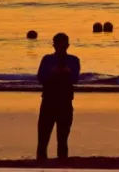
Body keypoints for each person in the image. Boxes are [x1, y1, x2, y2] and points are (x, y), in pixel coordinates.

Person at [36, 32, 81, 160]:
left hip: (65, 102)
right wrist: (52, 73)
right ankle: (41, 165)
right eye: (59, 45)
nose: (61, 47)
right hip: (49, 101)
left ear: (67, 45)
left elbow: (75, 78)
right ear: (54, 45)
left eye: (63, 45)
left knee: (62, 140)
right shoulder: (47, 60)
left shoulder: (73, 60)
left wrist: (65, 73)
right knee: (43, 140)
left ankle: (62, 164)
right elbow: (41, 78)